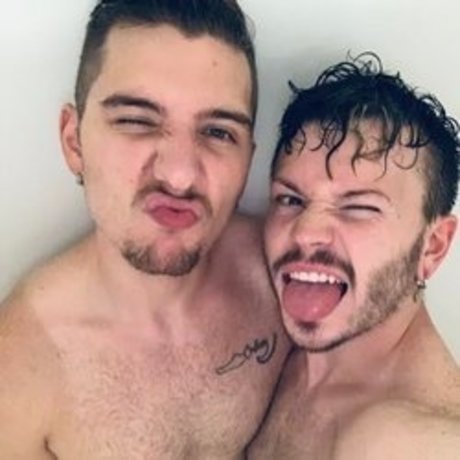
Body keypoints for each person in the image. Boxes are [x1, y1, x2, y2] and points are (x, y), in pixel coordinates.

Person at [0, 1, 290, 458]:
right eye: (137, 121)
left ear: (247, 161)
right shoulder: (19, 371)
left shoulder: (284, 275)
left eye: (218, 132)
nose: (179, 176)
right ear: (74, 142)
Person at [248, 54, 460, 459]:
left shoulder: (413, 441)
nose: (305, 231)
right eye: (290, 199)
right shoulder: (279, 355)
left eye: (359, 207)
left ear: (432, 246)